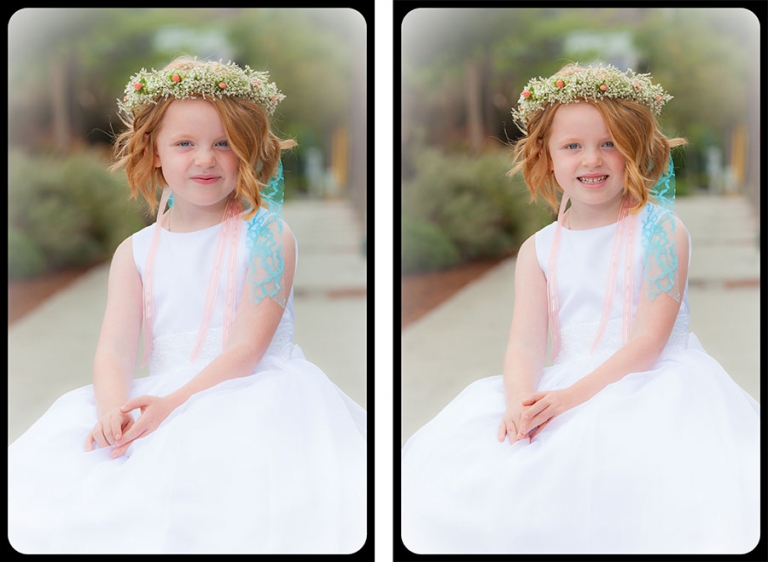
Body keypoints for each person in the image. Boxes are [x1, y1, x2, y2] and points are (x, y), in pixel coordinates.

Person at [8, 57, 367, 554]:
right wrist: (113, 407)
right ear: (153, 152)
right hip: (156, 398)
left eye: (224, 143)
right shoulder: (134, 251)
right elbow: (114, 348)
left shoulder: (267, 237)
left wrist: (170, 408)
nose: (206, 159)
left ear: (246, 149)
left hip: (252, 394)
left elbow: (246, 348)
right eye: (185, 144)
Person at [400, 63, 759, 555]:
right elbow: (525, 342)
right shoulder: (539, 249)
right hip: (560, 383)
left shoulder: (662, 233)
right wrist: (521, 399)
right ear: (546, 157)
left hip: (648, 382)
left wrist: (569, 399)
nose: (592, 159)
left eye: (610, 142)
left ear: (635, 146)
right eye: (572, 146)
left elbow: (648, 341)